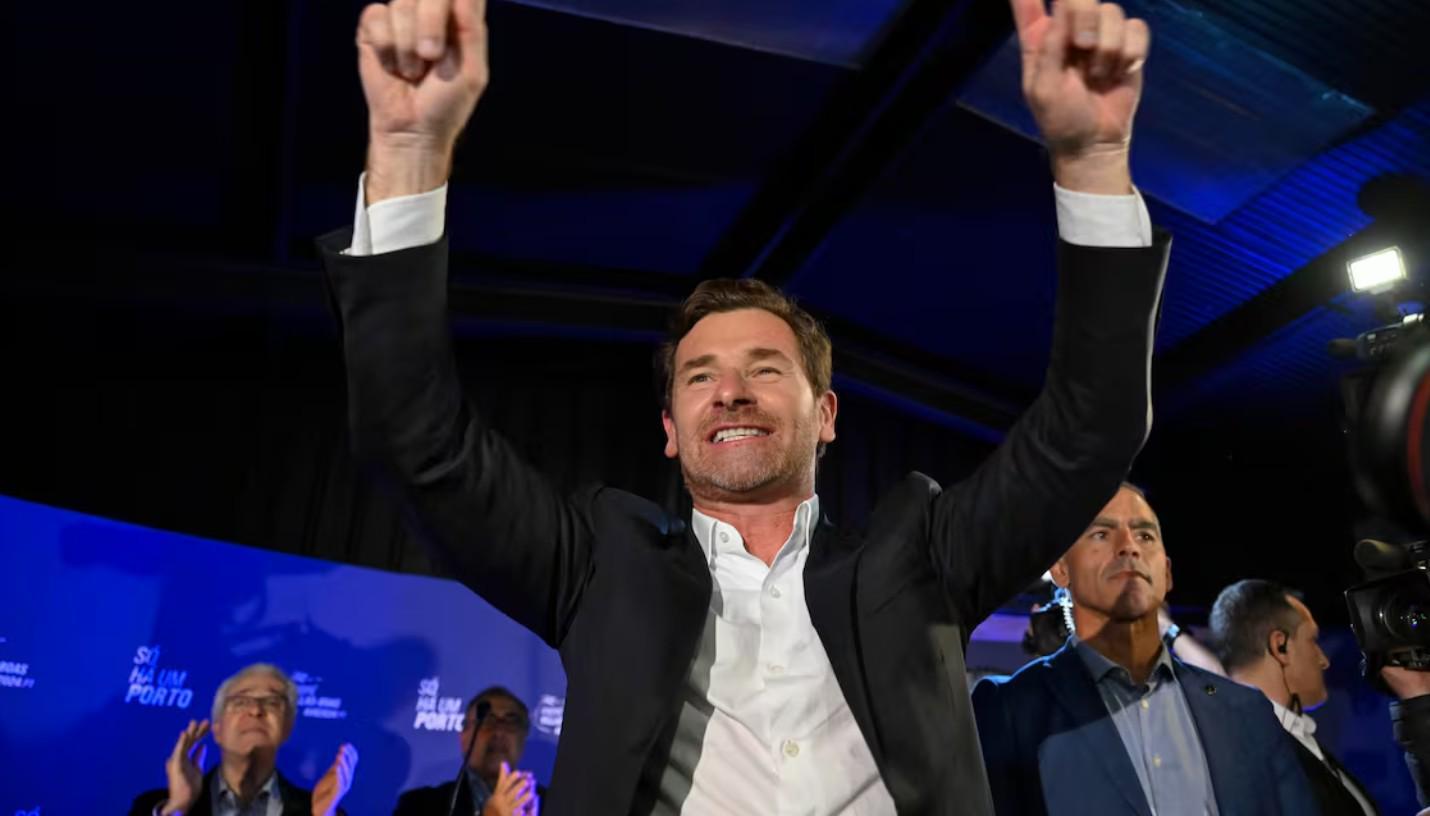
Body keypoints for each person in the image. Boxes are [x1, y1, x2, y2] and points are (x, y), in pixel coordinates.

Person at [321, 0, 1167, 810]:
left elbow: (1089, 432)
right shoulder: (597, 565)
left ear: (826, 415)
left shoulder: (923, 557)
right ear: (669, 431)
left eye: (764, 369)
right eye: (699, 377)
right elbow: (415, 442)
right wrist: (408, 152)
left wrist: (1093, 162)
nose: (729, 390)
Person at [972, 485, 1316, 814]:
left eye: (1145, 536)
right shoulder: (1011, 710)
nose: (1129, 547)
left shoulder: (1246, 710)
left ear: (1167, 572)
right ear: (1061, 569)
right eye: (1102, 534)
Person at [1209, 579, 1378, 815]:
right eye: (1312, 640)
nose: (1324, 660)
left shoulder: (1292, 740)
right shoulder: (1249, 757)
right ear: (1280, 647)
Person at [130, 663, 357, 816]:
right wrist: (178, 809)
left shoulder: (320, 810)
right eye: (240, 702)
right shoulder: (155, 807)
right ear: (217, 729)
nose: (256, 710)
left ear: (286, 729)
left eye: (272, 703)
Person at [394, 687, 540, 816]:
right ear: (463, 737)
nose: (499, 732)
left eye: (511, 721)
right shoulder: (419, 806)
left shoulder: (550, 804)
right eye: (487, 721)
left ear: (524, 738)